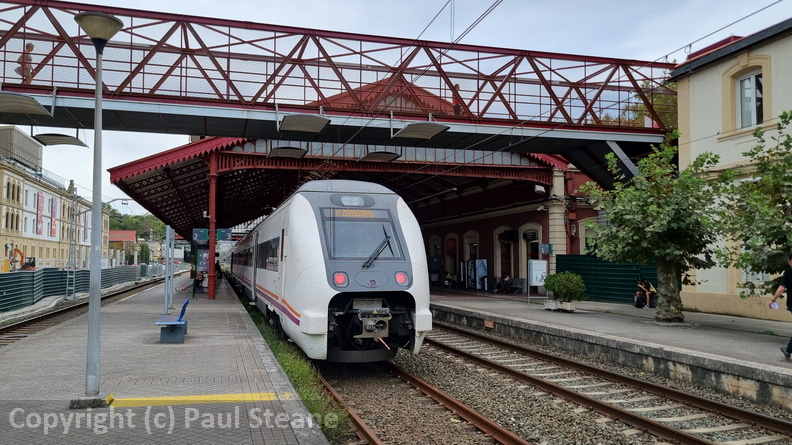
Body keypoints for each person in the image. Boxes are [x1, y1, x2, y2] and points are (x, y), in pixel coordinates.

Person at [769, 253, 792, 359]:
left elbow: (782, 288)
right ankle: (788, 350)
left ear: (790, 261)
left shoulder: (789, 272)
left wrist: (773, 300)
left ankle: (788, 350)